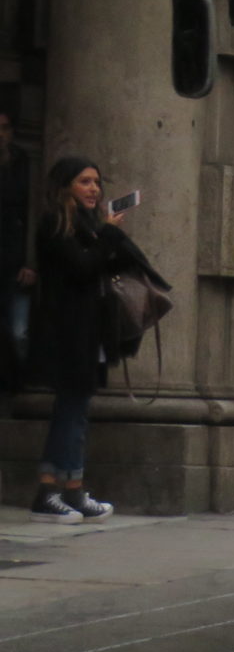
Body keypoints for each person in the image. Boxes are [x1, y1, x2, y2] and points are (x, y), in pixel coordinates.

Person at [27, 158, 152, 521]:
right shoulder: (55, 223)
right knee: (69, 413)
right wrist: (108, 234)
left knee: (77, 412)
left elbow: (97, 266)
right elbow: (80, 267)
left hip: (89, 331)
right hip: (67, 332)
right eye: (85, 181)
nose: (94, 189)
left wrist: (116, 244)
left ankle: (71, 489)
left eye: (97, 182)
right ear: (66, 186)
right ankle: (50, 491)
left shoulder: (88, 224)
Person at [0, 109, 31, 381]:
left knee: (19, 330)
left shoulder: (23, 164)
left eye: (5, 128)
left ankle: (19, 384)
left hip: (15, 260)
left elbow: (32, 212)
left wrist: (30, 261)